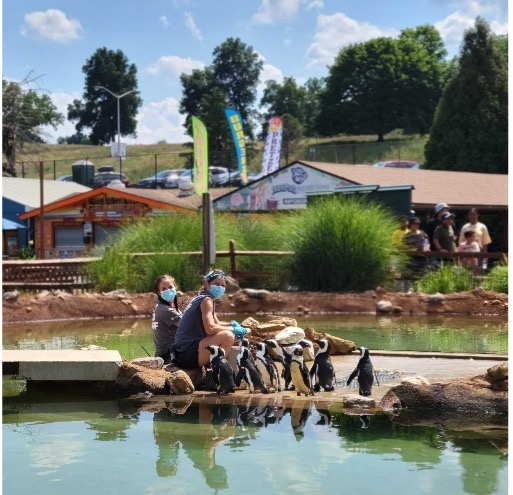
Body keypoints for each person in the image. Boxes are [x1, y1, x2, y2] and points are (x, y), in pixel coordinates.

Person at [173, 269, 242, 369]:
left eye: (223, 285)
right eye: (217, 284)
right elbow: (210, 329)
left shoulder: (202, 297)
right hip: (186, 355)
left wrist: (231, 324)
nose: (220, 287)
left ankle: (214, 368)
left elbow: (216, 323)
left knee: (227, 332)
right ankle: (218, 373)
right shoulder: (207, 300)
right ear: (207, 284)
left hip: (181, 353)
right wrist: (233, 330)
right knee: (228, 336)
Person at [152, 274, 182, 364]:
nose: (168, 290)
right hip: (168, 356)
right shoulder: (165, 310)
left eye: (170, 287)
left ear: (175, 288)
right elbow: (188, 326)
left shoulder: (160, 306)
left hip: (163, 353)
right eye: (163, 289)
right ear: (159, 293)